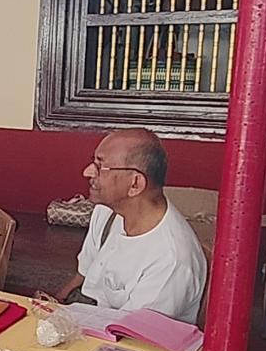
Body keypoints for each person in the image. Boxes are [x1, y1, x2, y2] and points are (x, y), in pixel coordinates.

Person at [54, 129, 207, 324]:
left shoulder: (171, 260)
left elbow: (130, 332)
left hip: (126, 336)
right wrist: (54, 308)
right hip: (88, 317)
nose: (87, 172)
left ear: (135, 183)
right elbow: (83, 273)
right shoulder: (106, 212)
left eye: (100, 166)